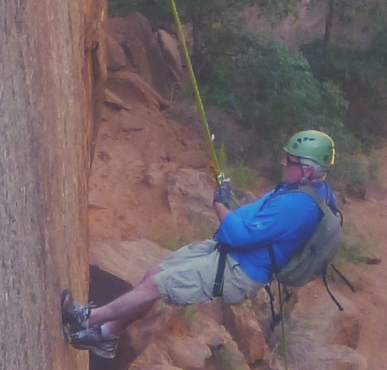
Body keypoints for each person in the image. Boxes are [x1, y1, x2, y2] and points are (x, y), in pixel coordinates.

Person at [62, 130, 339, 358]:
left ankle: (87, 319)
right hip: (229, 255)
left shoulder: (298, 205)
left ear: (306, 170)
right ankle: (107, 336)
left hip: (236, 269)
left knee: (155, 286)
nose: (282, 163)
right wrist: (230, 203)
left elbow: (238, 235)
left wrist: (219, 205)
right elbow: (256, 222)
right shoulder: (305, 190)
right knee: (154, 276)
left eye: (289, 161)